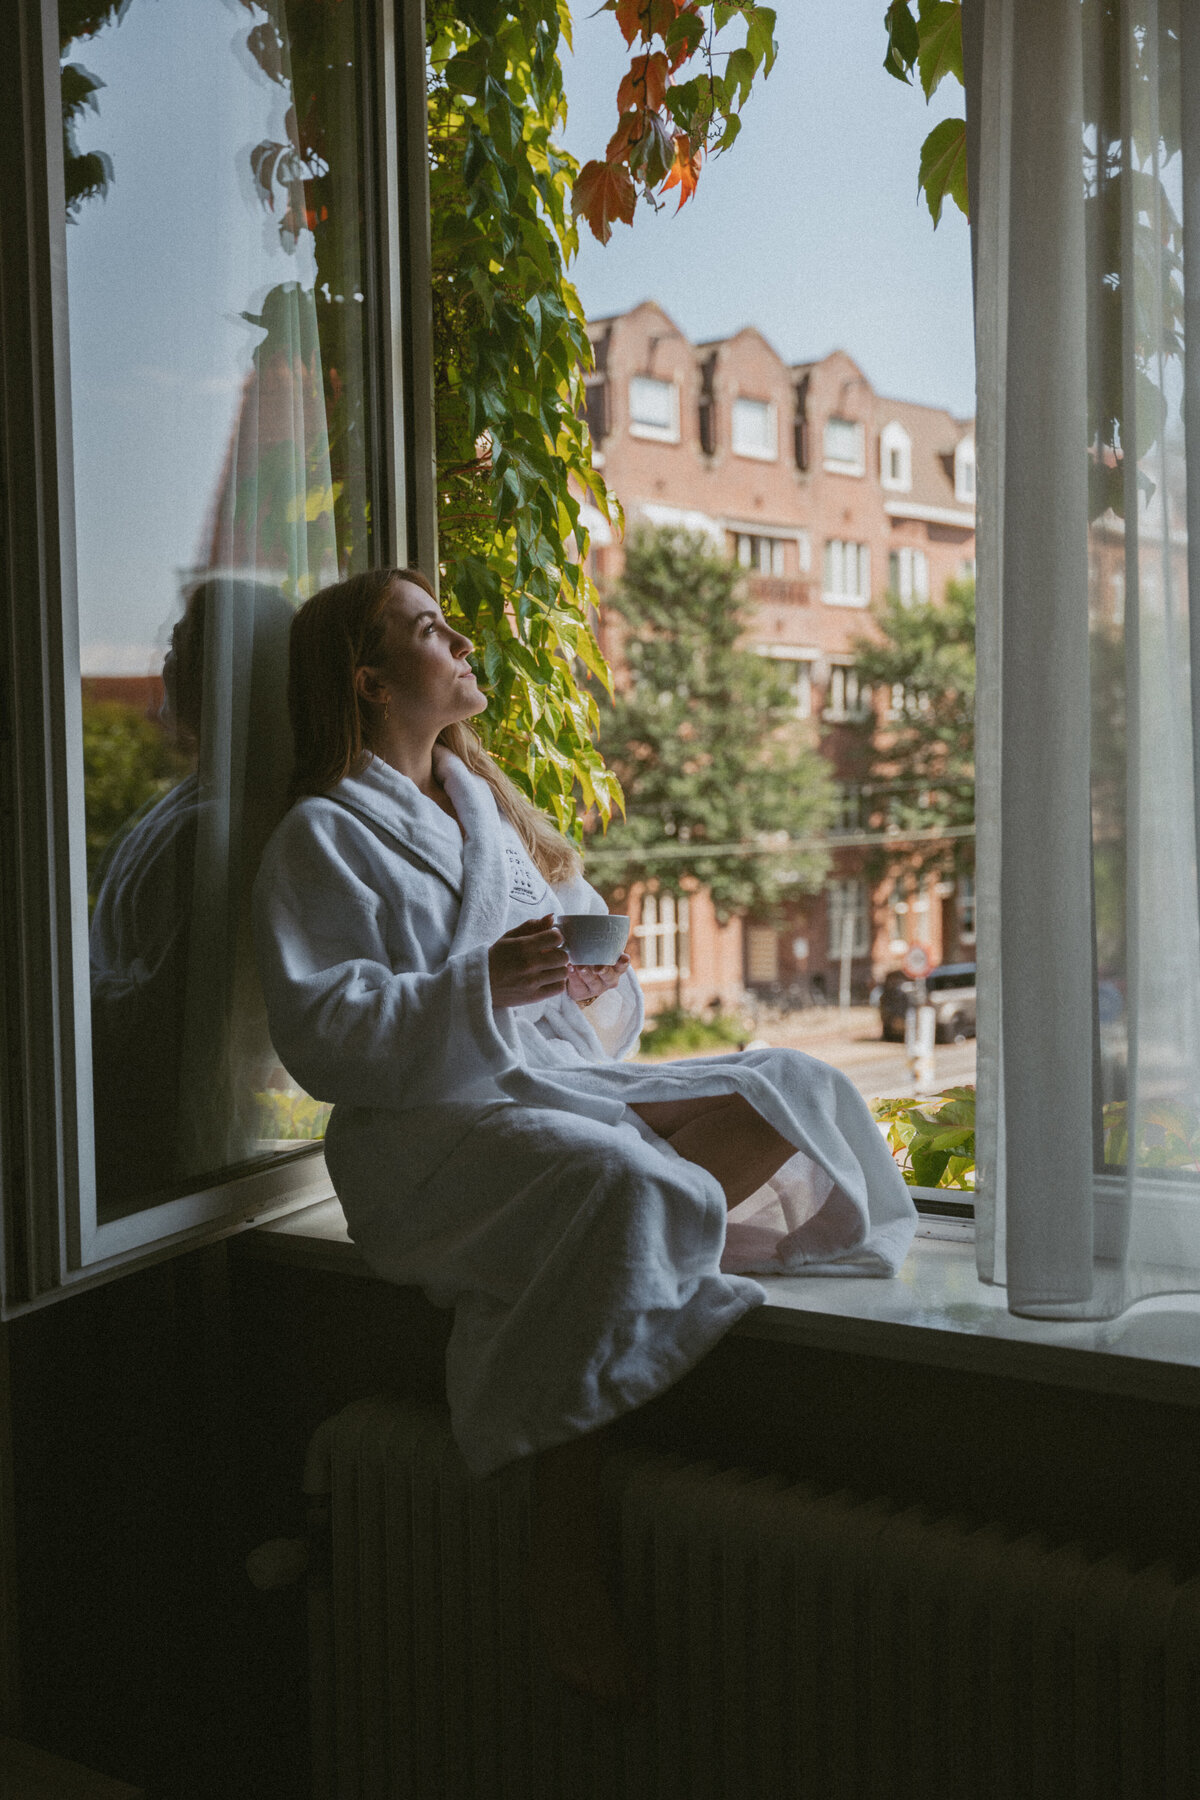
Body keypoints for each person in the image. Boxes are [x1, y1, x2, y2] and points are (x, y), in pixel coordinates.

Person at [252, 567, 916, 1701]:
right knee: (619, 1183)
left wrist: (592, 986)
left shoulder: (485, 813)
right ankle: (562, 1555)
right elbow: (325, 1033)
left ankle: (598, 1261)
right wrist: (483, 988)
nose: (460, 641)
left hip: (543, 1088)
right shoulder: (322, 838)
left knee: (791, 1086)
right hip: (429, 1132)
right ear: (367, 682)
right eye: (428, 631)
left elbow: (577, 1013)